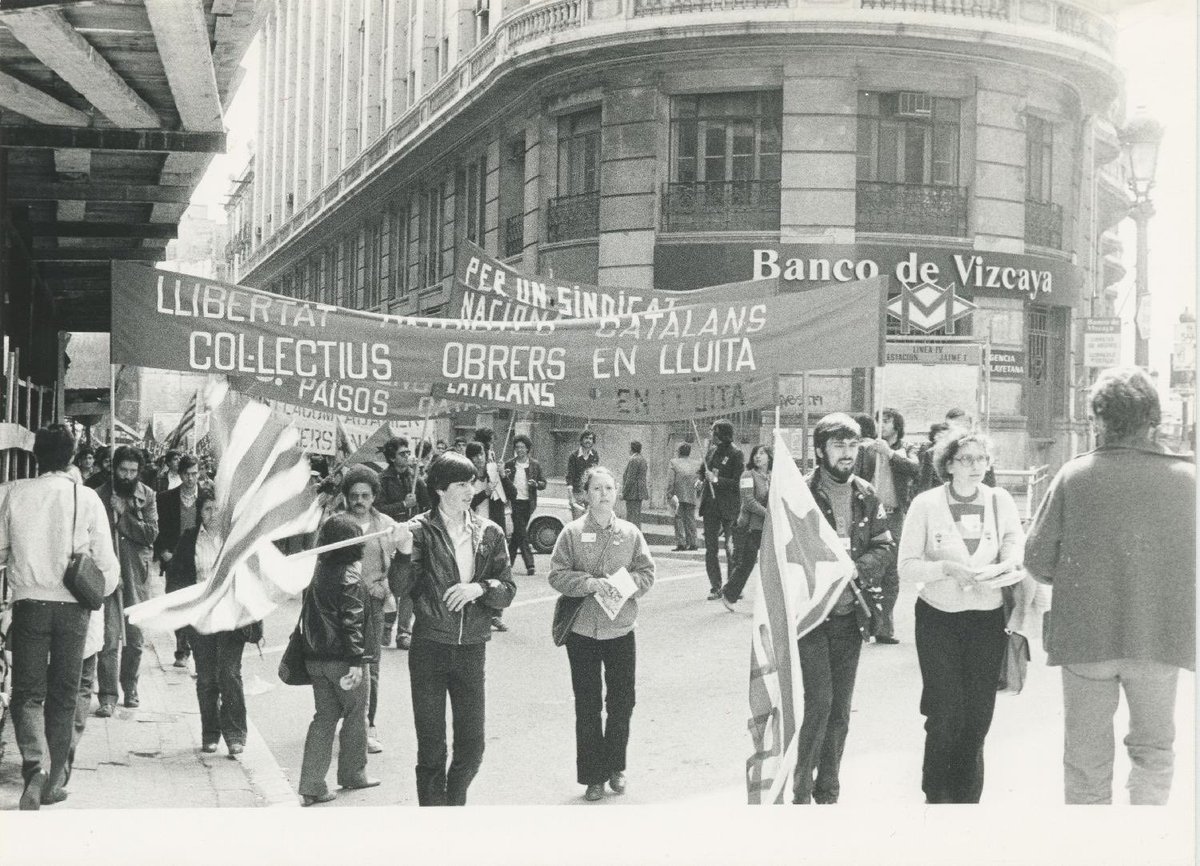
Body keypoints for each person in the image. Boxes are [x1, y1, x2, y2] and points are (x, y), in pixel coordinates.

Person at [1024, 367, 1195, 805]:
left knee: (1084, 761)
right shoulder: (1188, 481)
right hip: (1160, 639)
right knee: (1154, 752)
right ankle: (1140, 843)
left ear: (1100, 419)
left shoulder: (1074, 476)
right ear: (1153, 418)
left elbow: (1037, 562)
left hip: (1085, 640)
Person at [898, 429, 1029, 804]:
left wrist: (1007, 566)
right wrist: (946, 569)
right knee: (945, 711)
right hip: (939, 618)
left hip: (986, 619)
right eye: (966, 459)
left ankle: (967, 797)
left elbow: (1013, 542)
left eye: (981, 459)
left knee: (978, 715)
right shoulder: (925, 504)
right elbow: (906, 567)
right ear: (948, 465)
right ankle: (937, 794)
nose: (975, 467)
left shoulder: (998, 499)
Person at [0, 424, 119, 809]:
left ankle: (34, 768)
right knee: (65, 696)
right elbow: (107, 568)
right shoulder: (85, 498)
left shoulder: (13, 494)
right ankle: (54, 780)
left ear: (37, 457)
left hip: (29, 605)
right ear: (70, 458)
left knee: (27, 693)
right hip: (73, 609)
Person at [391, 451, 516, 806]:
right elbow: (400, 589)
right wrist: (402, 553)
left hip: (471, 648)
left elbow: (507, 590)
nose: (470, 490)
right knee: (431, 747)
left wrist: (481, 588)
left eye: (472, 482)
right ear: (440, 488)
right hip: (429, 646)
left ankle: (454, 799)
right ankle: (435, 820)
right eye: (461, 483)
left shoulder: (489, 532)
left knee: (472, 747)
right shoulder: (419, 530)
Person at [793, 414, 894, 805]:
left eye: (853, 446)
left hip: (851, 616)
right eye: (839, 446)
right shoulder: (800, 493)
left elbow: (884, 546)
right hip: (812, 616)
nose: (848, 453)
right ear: (821, 450)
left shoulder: (867, 493)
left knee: (840, 709)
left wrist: (858, 566)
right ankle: (800, 788)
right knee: (819, 702)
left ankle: (828, 787)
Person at [549, 466, 656, 801]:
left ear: (617, 492)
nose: (604, 494)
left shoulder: (630, 533)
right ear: (585, 494)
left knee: (622, 702)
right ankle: (593, 776)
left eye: (609, 488)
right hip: (582, 631)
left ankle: (615, 766)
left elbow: (647, 573)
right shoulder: (571, 533)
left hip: (621, 629)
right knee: (588, 703)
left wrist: (626, 587)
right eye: (596, 489)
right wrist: (589, 584)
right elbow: (557, 575)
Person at [297, 514, 383, 806]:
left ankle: (312, 786)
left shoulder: (319, 571)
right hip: (344, 661)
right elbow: (352, 621)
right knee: (356, 714)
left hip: (316, 658)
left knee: (323, 719)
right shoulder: (349, 576)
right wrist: (357, 662)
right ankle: (353, 774)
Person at [167, 487, 253, 756]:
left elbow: (252, 579)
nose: (212, 514)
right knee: (206, 678)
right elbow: (176, 580)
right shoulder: (189, 540)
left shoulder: (237, 539)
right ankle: (210, 732)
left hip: (231, 617)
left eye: (218, 509)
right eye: (207, 509)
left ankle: (236, 733)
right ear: (199, 512)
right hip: (200, 617)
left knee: (229, 674)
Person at [341, 465, 406, 754]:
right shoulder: (336, 525)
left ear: (374, 496)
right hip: (341, 606)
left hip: (374, 604)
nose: (360, 501)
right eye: (354, 495)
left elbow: (403, 564)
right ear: (346, 497)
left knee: (371, 668)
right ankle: (347, 721)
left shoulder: (388, 525)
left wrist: (385, 588)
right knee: (343, 666)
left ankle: (368, 725)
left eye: (365, 495)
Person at [95, 445, 159, 715]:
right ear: (114, 467)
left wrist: (124, 515)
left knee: (134, 639)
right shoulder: (99, 495)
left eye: (133, 471)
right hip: (108, 576)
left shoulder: (149, 496)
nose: (127, 475)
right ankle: (108, 695)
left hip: (137, 576)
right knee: (108, 639)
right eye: (123, 470)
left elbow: (151, 534)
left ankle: (130, 686)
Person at [856, 408, 920, 644]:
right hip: (870, 514)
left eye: (887, 420)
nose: (881, 424)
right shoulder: (867, 449)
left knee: (891, 572)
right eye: (878, 420)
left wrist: (890, 454)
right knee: (869, 566)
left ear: (897, 424)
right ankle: (866, 621)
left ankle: (884, 627)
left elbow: (915, 468)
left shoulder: (908, 448)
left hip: (894, 515)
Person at [376, 436, 430, 649]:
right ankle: (386, 627)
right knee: (389, 584)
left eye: (408, 453)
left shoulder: (416, 478)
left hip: (410, 539)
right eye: (402, 454)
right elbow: (378, 510)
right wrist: (402, 504)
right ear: (391, 457)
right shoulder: (381, 480)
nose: (408, 457)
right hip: (388, 537)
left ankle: (404, 632)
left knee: (409, 585)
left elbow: (428, 507)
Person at [155, 453, 201, 667]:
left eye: (195, 474)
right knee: (176, 602)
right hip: (175, 559)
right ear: (180, 475)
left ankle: (188, 648)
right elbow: (159, 528)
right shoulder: (166, 498)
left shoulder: (206, 499)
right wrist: (164, 551)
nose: (191, 479)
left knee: (195, 604)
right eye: (187, 474)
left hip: (199, 559)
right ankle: (182, 646)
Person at [721, 444, 772, 611]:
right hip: (749, 527)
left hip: (768, 528)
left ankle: (768, 603)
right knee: (746, 563)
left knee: (771, 566)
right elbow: (749, 502)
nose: (758, 457)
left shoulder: (772, 477)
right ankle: (729, 593)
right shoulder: (747, 475)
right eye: (756, 454)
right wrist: (769, 514)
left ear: (769, 457)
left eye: (762, 454)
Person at [698, 419, 744, 601]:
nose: (710, 434)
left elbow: (737, 483)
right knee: (711, 548)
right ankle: (715, 586)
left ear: (721, 433)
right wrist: (701, 479)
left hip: (729, 507)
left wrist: (716, 480)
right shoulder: (710, 452)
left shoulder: (736, 454)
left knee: (731, 548)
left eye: (713, 431)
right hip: (711, 507)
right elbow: (703, 471)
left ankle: (733, 586)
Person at [466, 442, 508, 632]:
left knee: (497, 572)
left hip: (493, 529)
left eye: (481, 454)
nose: (478, 459)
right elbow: (466, 502)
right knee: (475, 571)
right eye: (474, 455)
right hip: (473, 529)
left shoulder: (494, 474)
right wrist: (485, 493)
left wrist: (504, 477)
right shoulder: (467, 479)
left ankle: (496, 615)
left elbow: (511, 495)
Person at [502, 434, 547, 576]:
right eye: (517, 447)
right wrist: (505, 475)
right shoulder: (510, 464)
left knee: (517, 534)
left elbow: (543, 483)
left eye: (522, 447)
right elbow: (504, 482)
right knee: (522, 532)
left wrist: (536, 484)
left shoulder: (534, 464)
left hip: (528, 503)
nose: (519, 450)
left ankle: (508, 563)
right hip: (514, 501)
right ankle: (530, 564)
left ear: (528, 449)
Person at [666, 442, 701, 551]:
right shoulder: (696, 464)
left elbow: (671, 480)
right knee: (691, 519)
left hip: (678, 495)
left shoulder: (673, 462)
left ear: (679, 452)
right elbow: (699, 480)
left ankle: (681, 543)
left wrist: (669, 493)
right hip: (691, 494)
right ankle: (693, 542)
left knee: (679, 518)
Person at [565, 430, 600, 520]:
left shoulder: (595, 455)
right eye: (586, 438)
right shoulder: (573, 456)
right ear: (581, 440)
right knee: (578, 522)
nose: (588, 441)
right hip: (577, 494)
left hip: (590, 493)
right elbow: (569, 477)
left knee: (590, 522)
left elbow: (595, 476)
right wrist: (571, 497)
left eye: (591, 439)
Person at [914, 422, 952, 495]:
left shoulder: (951, 453)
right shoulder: (929, 453)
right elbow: (926, 481)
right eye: (941, 435)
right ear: (935, 437)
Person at [620, 441, 649, 530]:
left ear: (632, 449)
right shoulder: (642, 459)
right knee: (636, 517)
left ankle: (633, 539)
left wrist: (623, 492)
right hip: (638, 493)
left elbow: (630, 479)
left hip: (633, 493)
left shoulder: (633, 459)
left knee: (632, 518)